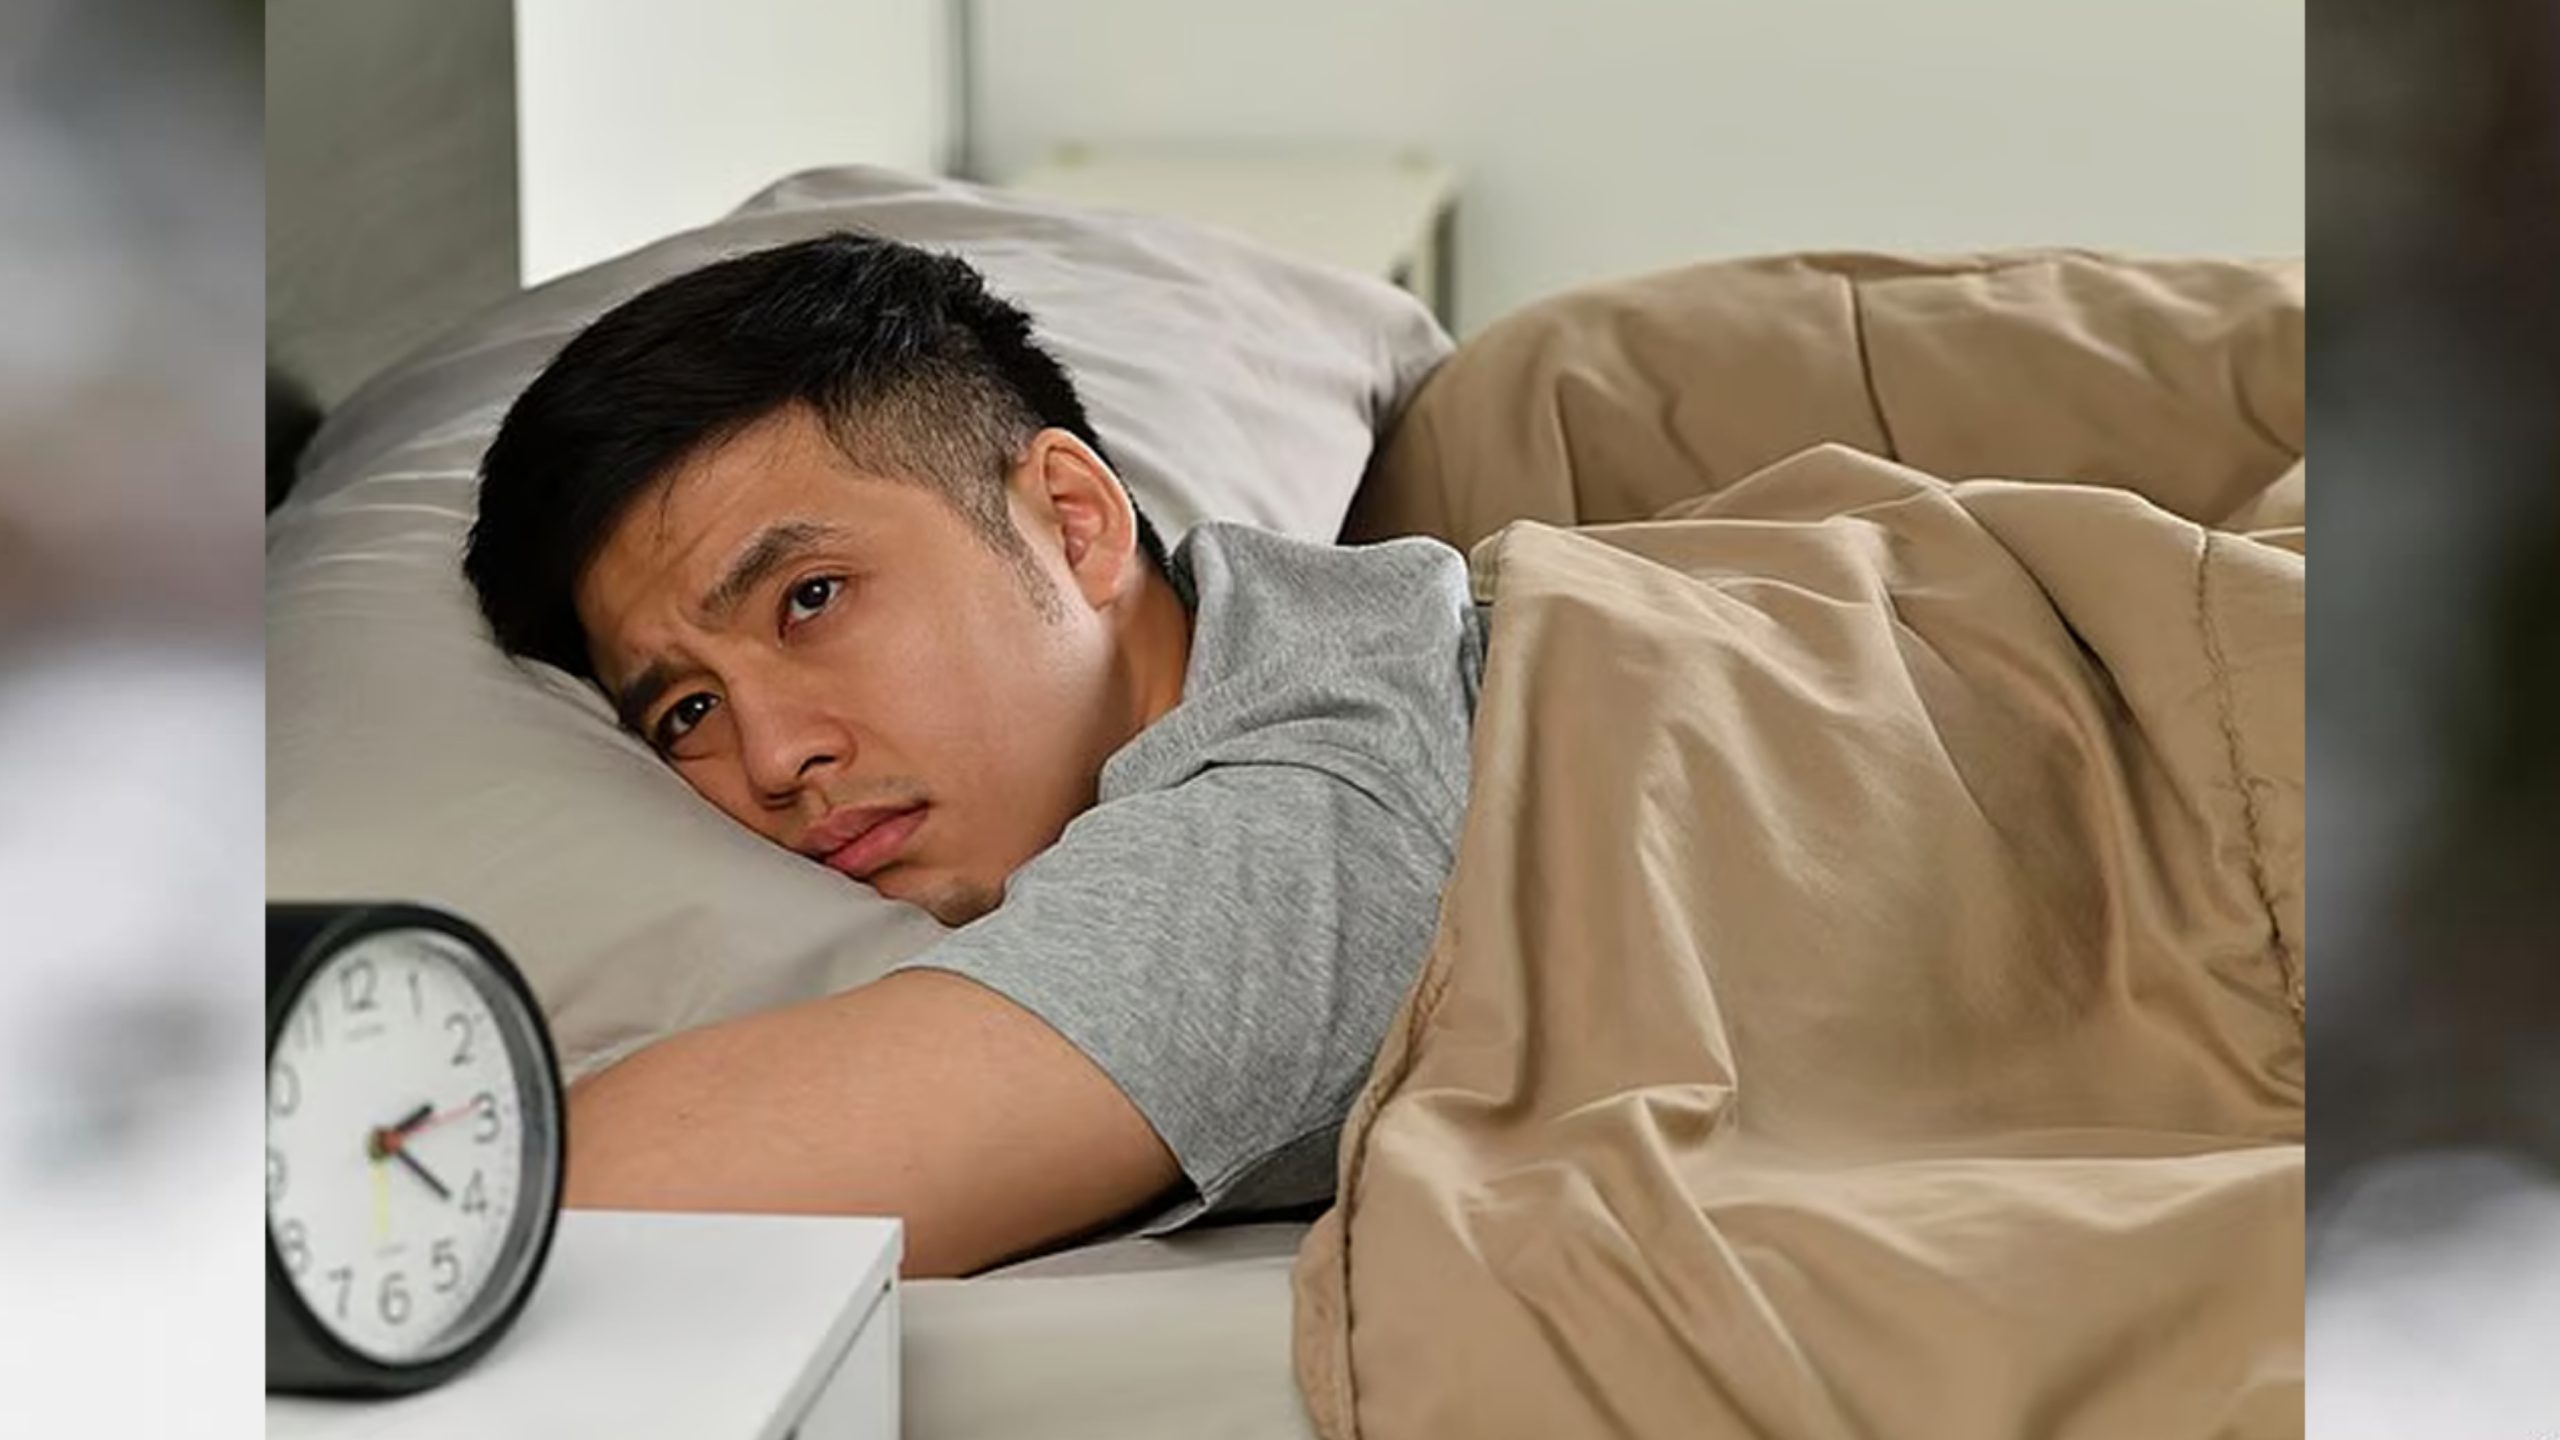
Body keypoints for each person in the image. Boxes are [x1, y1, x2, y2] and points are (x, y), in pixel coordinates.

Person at [464, 232, 1486, 1277]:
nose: (772, 756)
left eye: (811, 598)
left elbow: (571, 1212)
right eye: (689, 712)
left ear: (1073, 521)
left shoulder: (1306, 815)